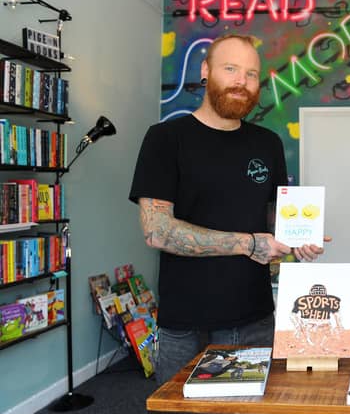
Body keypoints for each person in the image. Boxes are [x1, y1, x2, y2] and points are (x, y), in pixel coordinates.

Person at [129, 34, 325, 389]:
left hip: (254, 316)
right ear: (206, 71)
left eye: (251, 74)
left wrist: (298, 240)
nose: (241, 81)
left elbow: (274, 220)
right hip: (186, 322)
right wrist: (249, 244)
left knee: (249, 412)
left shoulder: (268, 143)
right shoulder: (165, 139)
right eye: (231, 68)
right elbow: (156, 230)